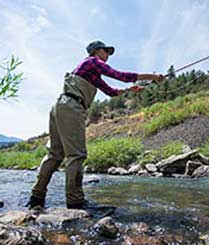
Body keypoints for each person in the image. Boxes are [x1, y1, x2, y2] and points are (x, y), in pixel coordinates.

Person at [27, 41, 164, 209]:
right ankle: (75, 201)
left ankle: (36, 198)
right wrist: (153, 77)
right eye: (106, 51)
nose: (108, 55)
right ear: (96, 51)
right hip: (72, 107)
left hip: (60, 106)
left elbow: (111, 92)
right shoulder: (92, 61)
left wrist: (130, 90)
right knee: (76, 155)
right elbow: (121, 76)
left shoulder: (90, 72)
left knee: (55, 155)